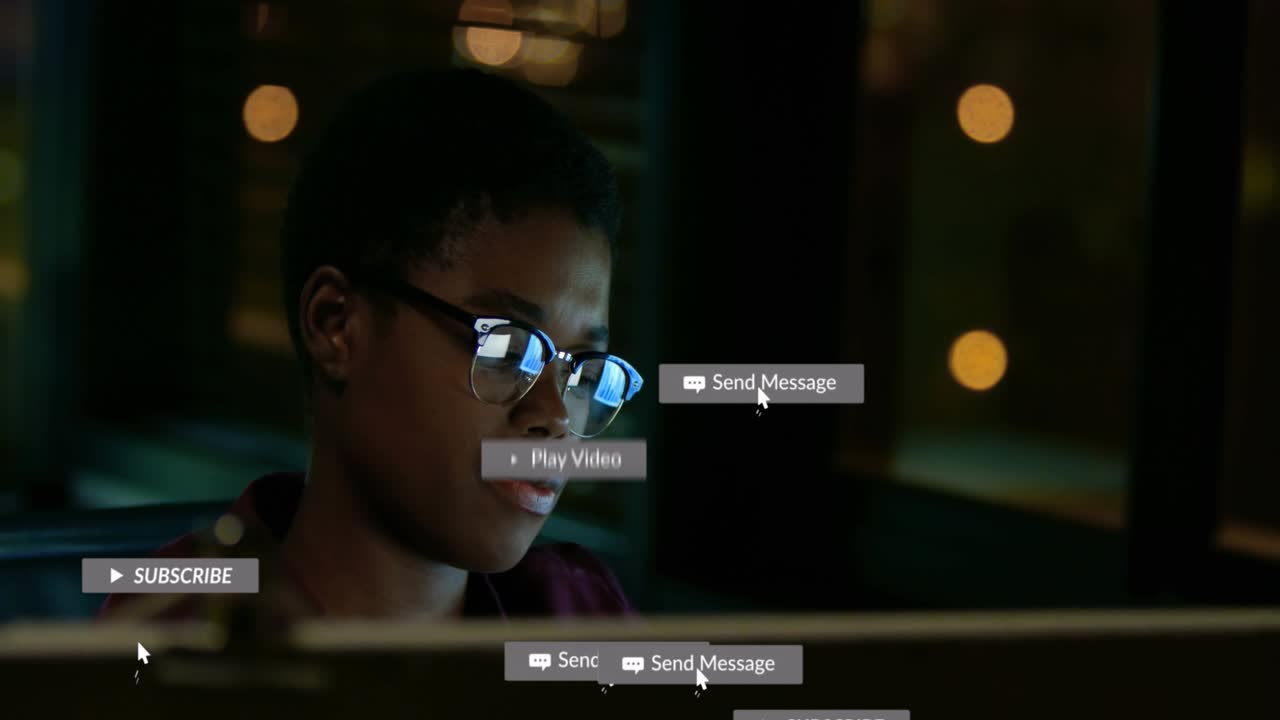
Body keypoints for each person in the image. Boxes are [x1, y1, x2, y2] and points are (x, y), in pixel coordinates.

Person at [101, 68, 642, 621]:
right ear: (337, 324)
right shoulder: (175, 641)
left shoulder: (577, 614)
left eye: (582, 370)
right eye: (508, 347)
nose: (554, 417)